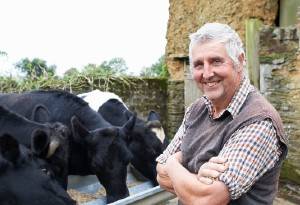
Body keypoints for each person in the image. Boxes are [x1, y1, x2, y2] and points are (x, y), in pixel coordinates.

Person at [156, 22, 288, 205]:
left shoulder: (259, 121)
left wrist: (172, 164)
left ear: (240, 61)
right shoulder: (197, 109)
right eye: (198, 64)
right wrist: (195, 178)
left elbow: (205, 199)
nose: (207, 73)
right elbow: (160, 175)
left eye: (216, 61)